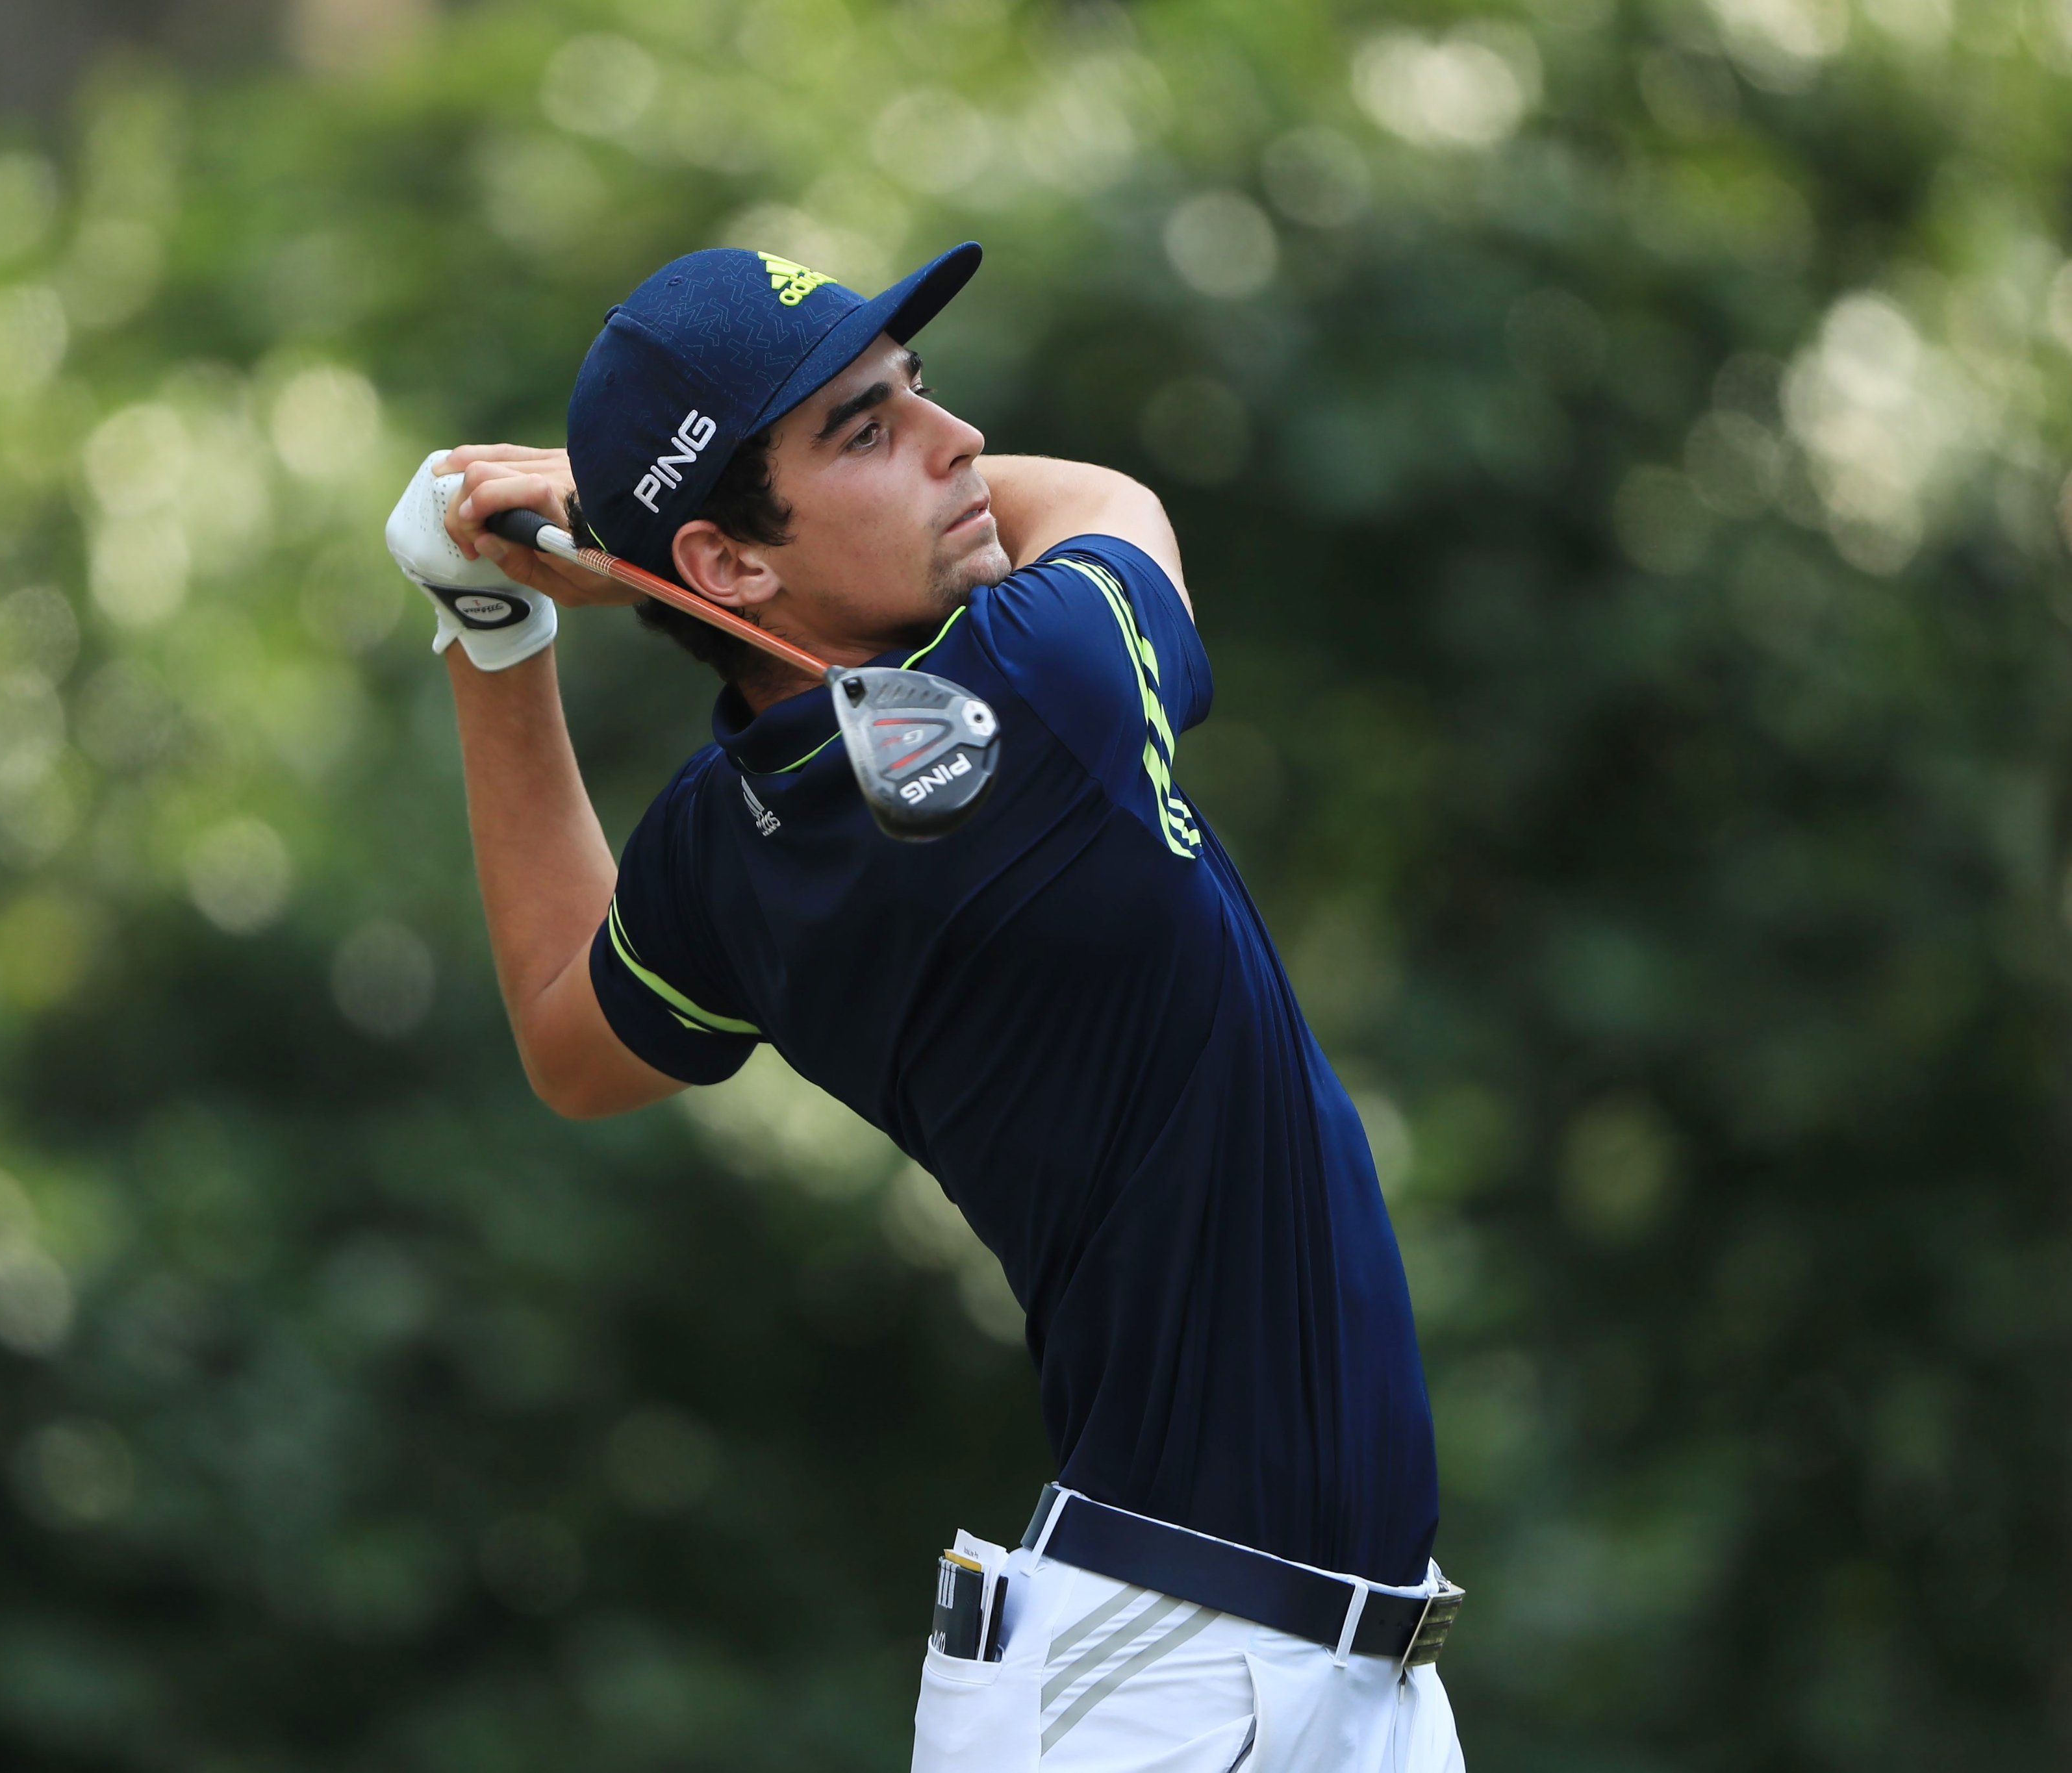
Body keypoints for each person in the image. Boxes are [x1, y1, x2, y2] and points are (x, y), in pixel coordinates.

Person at [384, 242, 1464, 1772]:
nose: (954, 440)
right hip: (1158, 1688)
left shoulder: (720, 847)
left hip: (1297, 1677)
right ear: (726, 567)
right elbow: (1103, 504)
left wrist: (493, 632)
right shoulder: (1046, 686)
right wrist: (598, 498)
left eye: (914, 391)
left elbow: (570, 1038)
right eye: (864, 431)